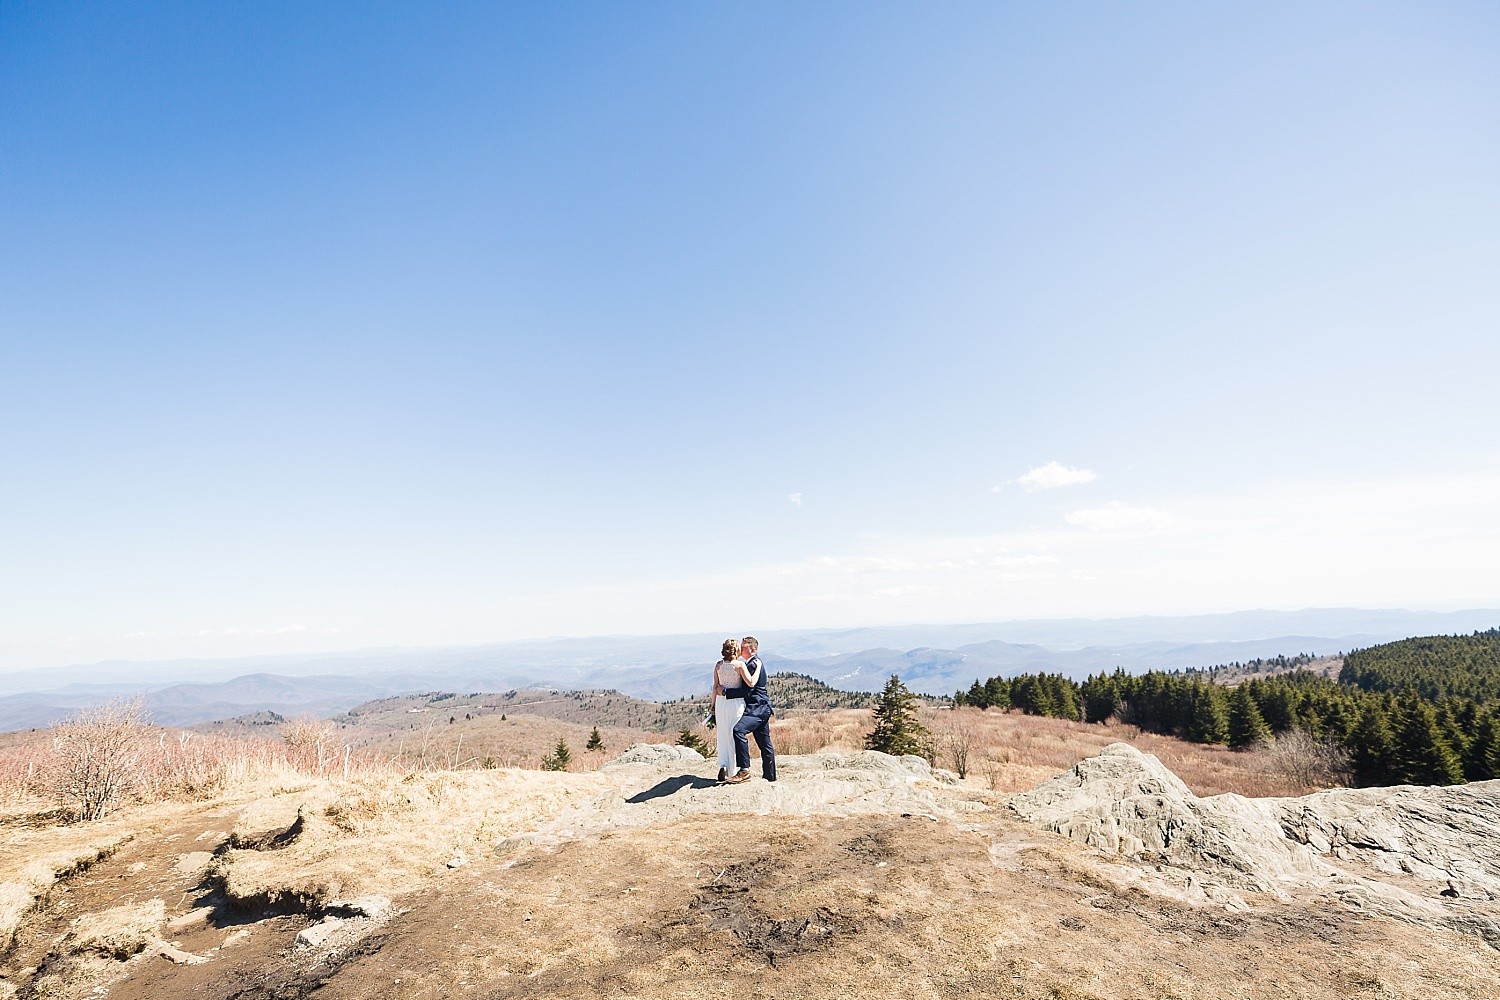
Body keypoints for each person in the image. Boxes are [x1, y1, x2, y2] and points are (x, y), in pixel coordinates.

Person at [724, 635, 776, 784]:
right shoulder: (754, 663)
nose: (740, 648)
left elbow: (747, 691)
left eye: (744, 646)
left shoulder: (753, 664)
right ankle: (770, 778)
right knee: (765, 745)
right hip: (762, 708)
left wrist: (726, 692)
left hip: (757, 708)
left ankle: (744, 770)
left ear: (752, 649)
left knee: (738, 731)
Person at [710, 638, 754, 782]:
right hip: (735, 703)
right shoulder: (740, 665)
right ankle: (733, 769)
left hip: (721, 703)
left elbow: (715, 687)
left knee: (722, 734)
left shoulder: (718, 665)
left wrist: (713, 706)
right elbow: (751, 683)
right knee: (734, 734)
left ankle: (723, 764)